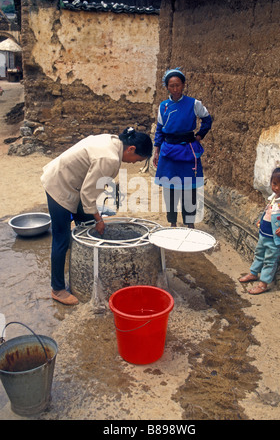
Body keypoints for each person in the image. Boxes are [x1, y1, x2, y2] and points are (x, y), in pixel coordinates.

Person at [41, 127, 152, 305]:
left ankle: (84, 263)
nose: (133, 164)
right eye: (136, 160)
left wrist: (96, 218)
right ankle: (58, 289)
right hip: (60, 184)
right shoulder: (109, 158)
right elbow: (87, 194)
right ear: (130, 149)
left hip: (73, 183)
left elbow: (90, 187)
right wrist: (99, 219)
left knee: (86, 223)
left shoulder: (113, 141)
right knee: (61, 238)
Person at [153, 68, 212, 228]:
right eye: (171, 86)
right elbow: (160, 129)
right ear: (167, 87)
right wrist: (156, 150)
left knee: (189, 188)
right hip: (168, 151)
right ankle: (172, 222)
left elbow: (207, 120)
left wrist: (199, 136)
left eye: (178, 85)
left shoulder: (194, 104)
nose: (175, 89)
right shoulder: (163, 106)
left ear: (183, 85)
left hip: (188, 151)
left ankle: (189, 222)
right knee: (169, 189)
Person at [239, 163, 280, 294]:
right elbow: (269, 211)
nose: (277, 188)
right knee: (259, 254)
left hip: (275, 238)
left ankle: (263, 284)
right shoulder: (274, 196)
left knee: (270, 260)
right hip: (264, 233)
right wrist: (261, 221)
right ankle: (254, 273)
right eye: (274, 184)